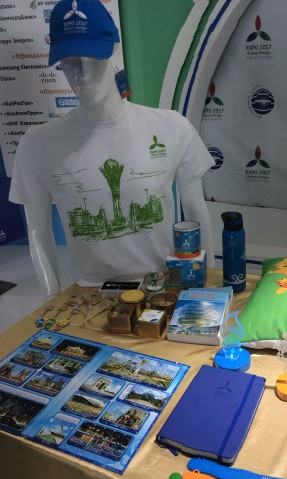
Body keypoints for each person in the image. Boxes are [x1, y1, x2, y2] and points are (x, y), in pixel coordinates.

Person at [9, 0, 214, 296]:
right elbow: (38, 232)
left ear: (115, 50)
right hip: (89, 296)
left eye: (93, 57)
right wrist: (52, 299)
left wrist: (207, 289)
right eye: (69, 61)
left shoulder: (172, 128)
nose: (81, 74)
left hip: (163, 289)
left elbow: (197, 211)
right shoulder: (37, 144)